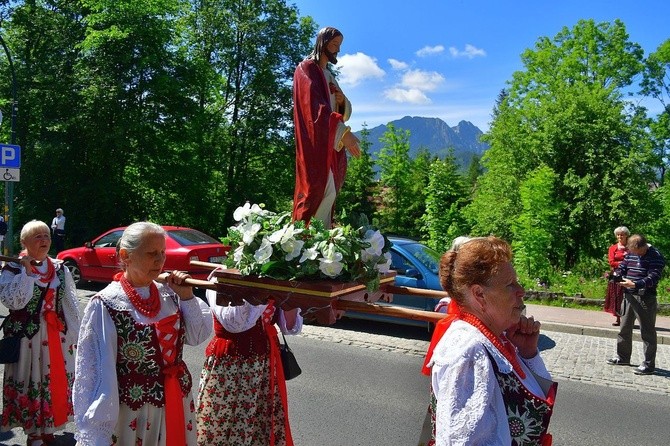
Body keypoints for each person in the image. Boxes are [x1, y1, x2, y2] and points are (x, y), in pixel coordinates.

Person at [73, 222, 212, 445]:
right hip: (132, 410)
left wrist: (187, 296)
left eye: (162, 253)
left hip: (176, 399)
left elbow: (196, 337)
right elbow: (96, 369)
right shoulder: (107, 303)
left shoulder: (170, 294)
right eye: (151, 253)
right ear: (126, 256)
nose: (160, 260)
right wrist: (97, 428)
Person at [427, 236, 557, 445]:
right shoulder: (468, 351)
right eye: (510, 284)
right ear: (479, 295)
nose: (521, 290)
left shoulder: (493, 338)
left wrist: (528, 353)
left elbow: (533, 406)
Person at [0, 220, 80, 446]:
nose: (44, 240)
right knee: (30, 381)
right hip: (28, 338)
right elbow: (14, 302)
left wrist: (74, 335)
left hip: (56, 335)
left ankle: (49, 428)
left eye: (46, 235)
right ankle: (33, 431)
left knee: (53, 381)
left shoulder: (60, 268)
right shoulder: (13, 268)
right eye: (37, 237)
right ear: (24, 242)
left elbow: (69, 304)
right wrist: (26, 272)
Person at [196, 282, 303, 446]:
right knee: (221, 423)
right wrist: (261, 291)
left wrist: (290, 295)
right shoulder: (220, 277)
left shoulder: (271, 278)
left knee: (260, 424)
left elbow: (289, 327)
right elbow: (234, 324)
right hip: (230, 364)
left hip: (264, 363)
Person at [292, 26, 361, 228]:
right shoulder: (306, 69)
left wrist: (341, 101)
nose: (337, 50)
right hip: (316, 143)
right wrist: (343, 134)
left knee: (330, 191)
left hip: (330, 144)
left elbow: (344, 112)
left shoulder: (329, 76)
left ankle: (319, 236)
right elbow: (313, 109)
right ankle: (305, 238)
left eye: (339, 46)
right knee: (318, 189)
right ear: (322, 43)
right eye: (334, 44)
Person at [606, 234, 665, 375]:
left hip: (645, 297)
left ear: (644, 246)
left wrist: (636, 284)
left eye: (639, 253)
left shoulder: (656, 256)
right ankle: (622, 357)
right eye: (634, 253)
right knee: (624, 328)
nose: (636, 255)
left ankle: (648, 365)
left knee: (647, 332)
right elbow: (623, 267)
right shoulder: (631, 253)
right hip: (628, 295)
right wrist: (616, 276)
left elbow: (654, 276)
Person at [604, 226, 629, 326]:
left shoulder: (631, 247)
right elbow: (611, 262)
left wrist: (622, 262)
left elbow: (634, 259)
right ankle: (618, 318)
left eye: (622, 234)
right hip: (617, 275)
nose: (620, 236)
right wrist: (624, 263)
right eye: (618, 235)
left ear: (626, 235)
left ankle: (628, 319)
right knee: (617, 296)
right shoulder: (613, 248)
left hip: (629, 275)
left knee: (628, 297)